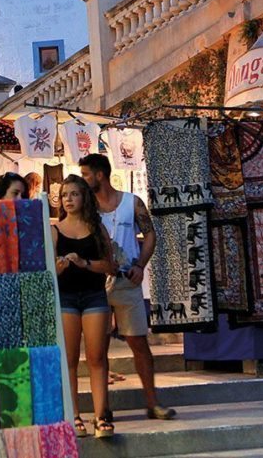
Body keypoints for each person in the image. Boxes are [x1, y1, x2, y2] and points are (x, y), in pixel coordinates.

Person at [79, 153, 176, 422]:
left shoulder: (131, 203)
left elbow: (150, 233)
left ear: (100, 174)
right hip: (96, 282)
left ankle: (152, 402)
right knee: (97, 349)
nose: (85, 180)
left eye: (87, 174)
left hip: (126, 280)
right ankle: (103, 409)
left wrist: (141, 265)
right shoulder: (86, 208)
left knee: (138, 342)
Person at [52, 175, 115, 439]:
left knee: (97, 357)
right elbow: (47, 271)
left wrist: (85, 263)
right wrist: (58, 268)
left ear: (84, 197)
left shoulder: (97, 229)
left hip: (93, 295)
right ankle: (74, 414)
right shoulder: (54, 230)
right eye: (65, 195)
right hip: (66, 297)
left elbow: (111, 266)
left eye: (74, 194)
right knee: (69, 359)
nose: (68, 199)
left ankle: (101, 416)